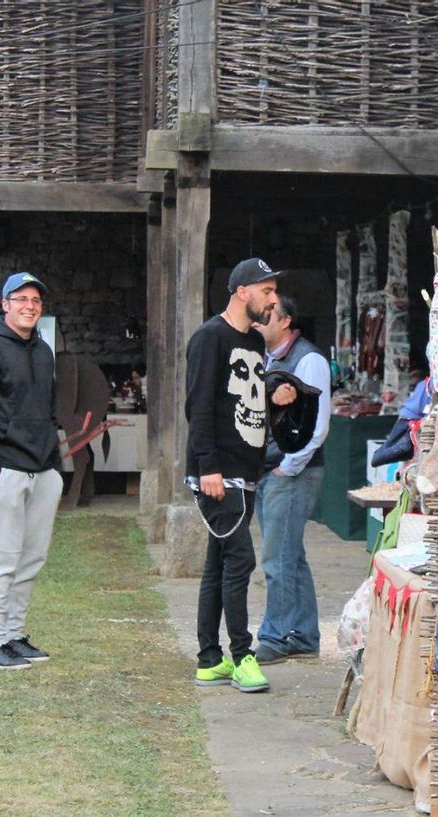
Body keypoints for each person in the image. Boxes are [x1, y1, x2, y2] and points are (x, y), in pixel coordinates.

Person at [186, 257, 297, 693]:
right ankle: (242, 654)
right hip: (219, 475)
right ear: (241, 292)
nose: (273, 299)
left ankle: (209, 659)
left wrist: (275, 397)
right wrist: (208, 467)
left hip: (245, 471)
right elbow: (199, 407)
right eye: (266, 291)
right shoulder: (209, 338)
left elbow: (245, 401)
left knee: (218, 564)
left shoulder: (254, 343)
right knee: (241, 560)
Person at [0, 272, 63, 670]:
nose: (29, 306)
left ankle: (15, 635)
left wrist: (54, 465)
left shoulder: (43, 351)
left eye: (35, 300)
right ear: (4, 305)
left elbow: (48, 410)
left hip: (42, 470)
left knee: (32, 558)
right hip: (3, 469)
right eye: (20, 298)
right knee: (2, 557)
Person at [253, 294, 332, 665]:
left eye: (267, 315)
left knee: (277, 557)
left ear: (285, 321)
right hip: (275, 468)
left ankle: (276, 635)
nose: (259, 321)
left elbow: (317, 424)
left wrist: (290, 465)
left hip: (292, 470)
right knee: (290, 554)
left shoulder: (309, 360)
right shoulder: (268, 359)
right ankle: (304, 633)